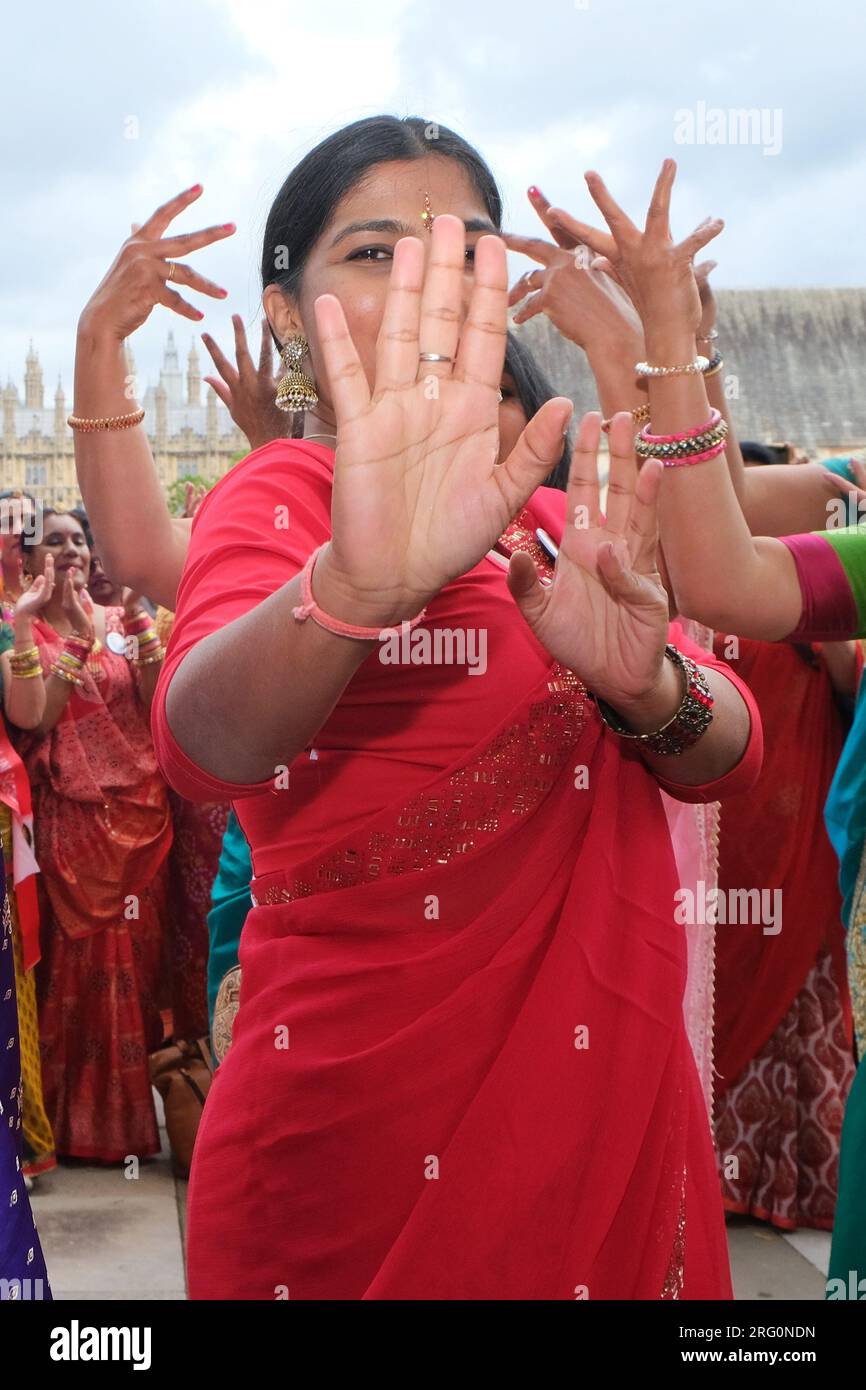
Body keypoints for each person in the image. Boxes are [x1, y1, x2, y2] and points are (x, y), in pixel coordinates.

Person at [73, 117, 762, 1301]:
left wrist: (645, 685)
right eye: (375, 251)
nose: (428, 279)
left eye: (463, 246)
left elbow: (726, 758)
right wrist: (351, 589)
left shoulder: (556, 523)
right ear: (286, 312)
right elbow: (199, 741)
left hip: (597, 1131)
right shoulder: (281, 494)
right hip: (355, 1141)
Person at [9, 509, 173, 1162]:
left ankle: (125, 1131)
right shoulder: (24, 628)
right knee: (70, 975)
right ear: (32, 557)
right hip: (70, 836)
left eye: (79, 539)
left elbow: (159, 702)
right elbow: (34, 718)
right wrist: (56, 635)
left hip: (140, 825)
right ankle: (65, 1129)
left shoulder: (121, 624)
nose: (70, 550)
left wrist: (132, 614)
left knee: (133, 972)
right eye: (54, 541)